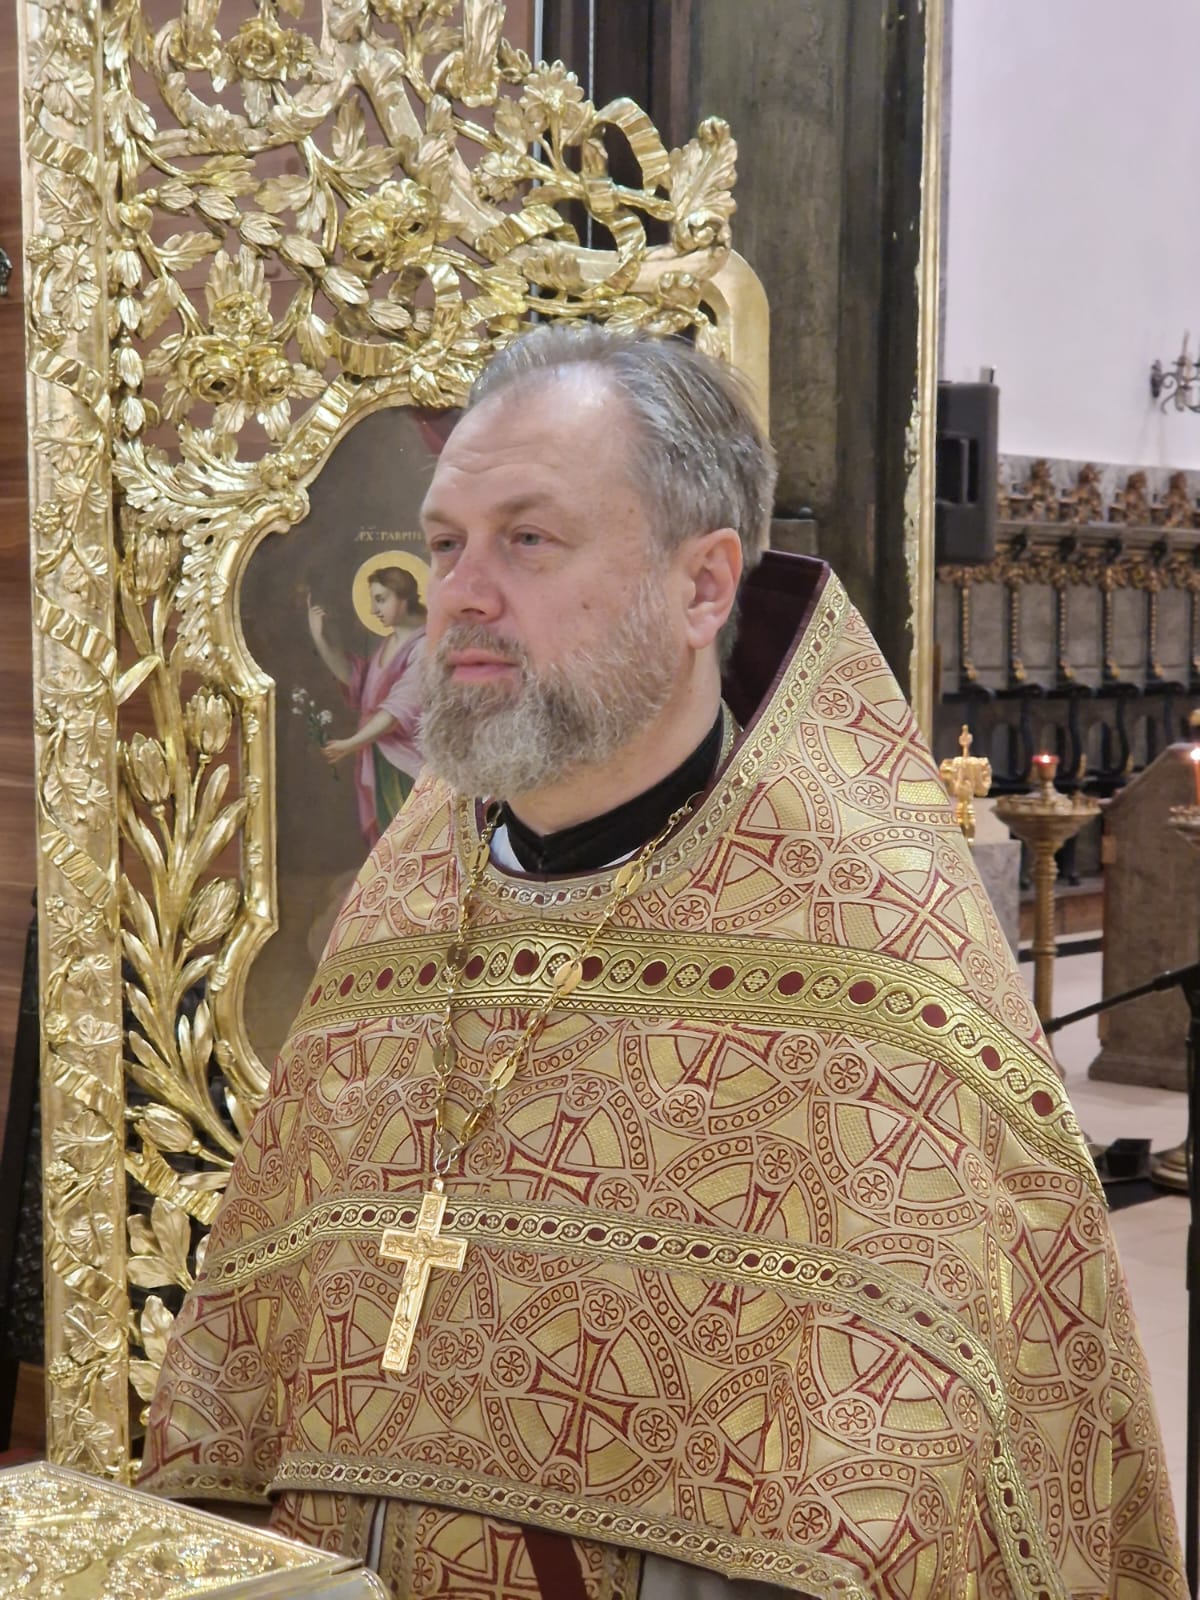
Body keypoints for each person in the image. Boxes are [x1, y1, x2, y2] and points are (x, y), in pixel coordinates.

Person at [141, 327, 1186, 1600]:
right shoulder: (403, 904)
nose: (460, 592)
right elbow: (257, 1357)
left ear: (702, 586)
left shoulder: (870, 945)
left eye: (529, 539)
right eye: (446, 542)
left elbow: (905, 1473)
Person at [308, 566, 426, 844]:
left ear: (404, 597)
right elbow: (356, 680)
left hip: (408, 763)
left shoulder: (425, 647)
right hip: (380, 757)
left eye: (381, 600)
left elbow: (397, 710)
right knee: (389, 841)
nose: (373, 610)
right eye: (373, 601)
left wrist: (351, 743)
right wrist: (319, 639)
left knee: (411, 839)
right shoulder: (390, 643)